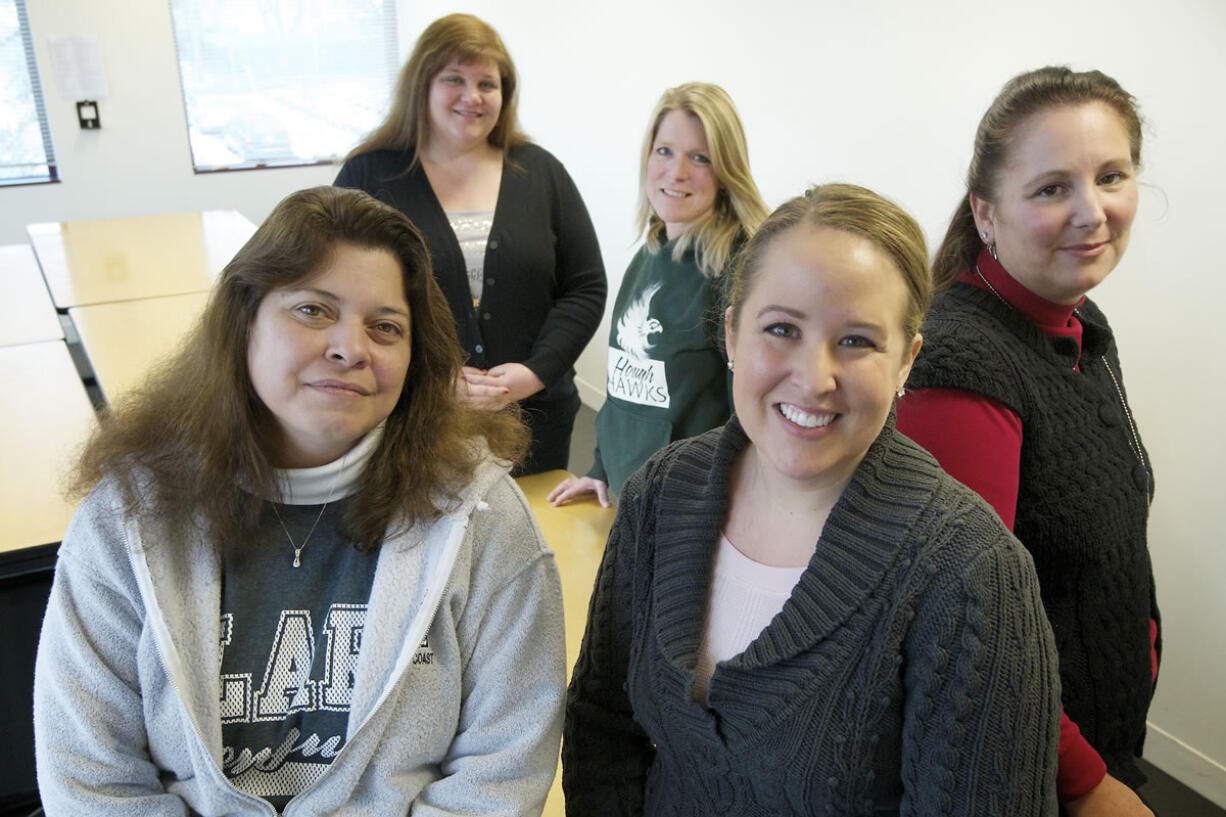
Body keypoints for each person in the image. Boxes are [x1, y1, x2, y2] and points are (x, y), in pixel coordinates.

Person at [34, 187, 566, 816]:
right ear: (244, 321)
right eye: (313, 310)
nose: (351, 347)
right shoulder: (126, 519)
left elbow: (502, 774)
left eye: (386, 326)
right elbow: (91, 782)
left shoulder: (484, 519)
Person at [563, 184, 1061, 816]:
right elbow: (603, 725)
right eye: (781, 329)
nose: (813, 377)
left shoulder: (969, 575)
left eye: (856, 341)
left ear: (907, 361)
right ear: (732, 334)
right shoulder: (663, 493)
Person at [895, 66, 1158, 817]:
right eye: (1051, 189)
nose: (1093, 211)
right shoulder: (963, 365)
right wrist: (1087, 783)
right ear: (986, 213)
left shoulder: (1076, 324)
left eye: (1112, 175)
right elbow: (964, 623)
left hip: (1098, 737)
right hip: (1022, 771)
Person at [334, 13, 606, 475]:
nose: (472, 97)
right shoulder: (369, 174)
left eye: (487, 83)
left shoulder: (542, 172)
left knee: (532, 538)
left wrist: (535, 372)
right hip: (414, 413)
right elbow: (339, 295)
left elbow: (585, 287)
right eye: (454, 79)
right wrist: (431, 376)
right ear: (422, 85)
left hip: (536, 415)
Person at [547, 82, 768, 507]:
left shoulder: (738, 272)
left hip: (687, 511)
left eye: (699, 158)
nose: (677, 171)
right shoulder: (649, 255)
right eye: (665, 151)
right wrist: (600, 469)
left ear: (726, 172)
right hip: (626, 501)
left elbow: (751, 422)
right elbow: (625, 381)